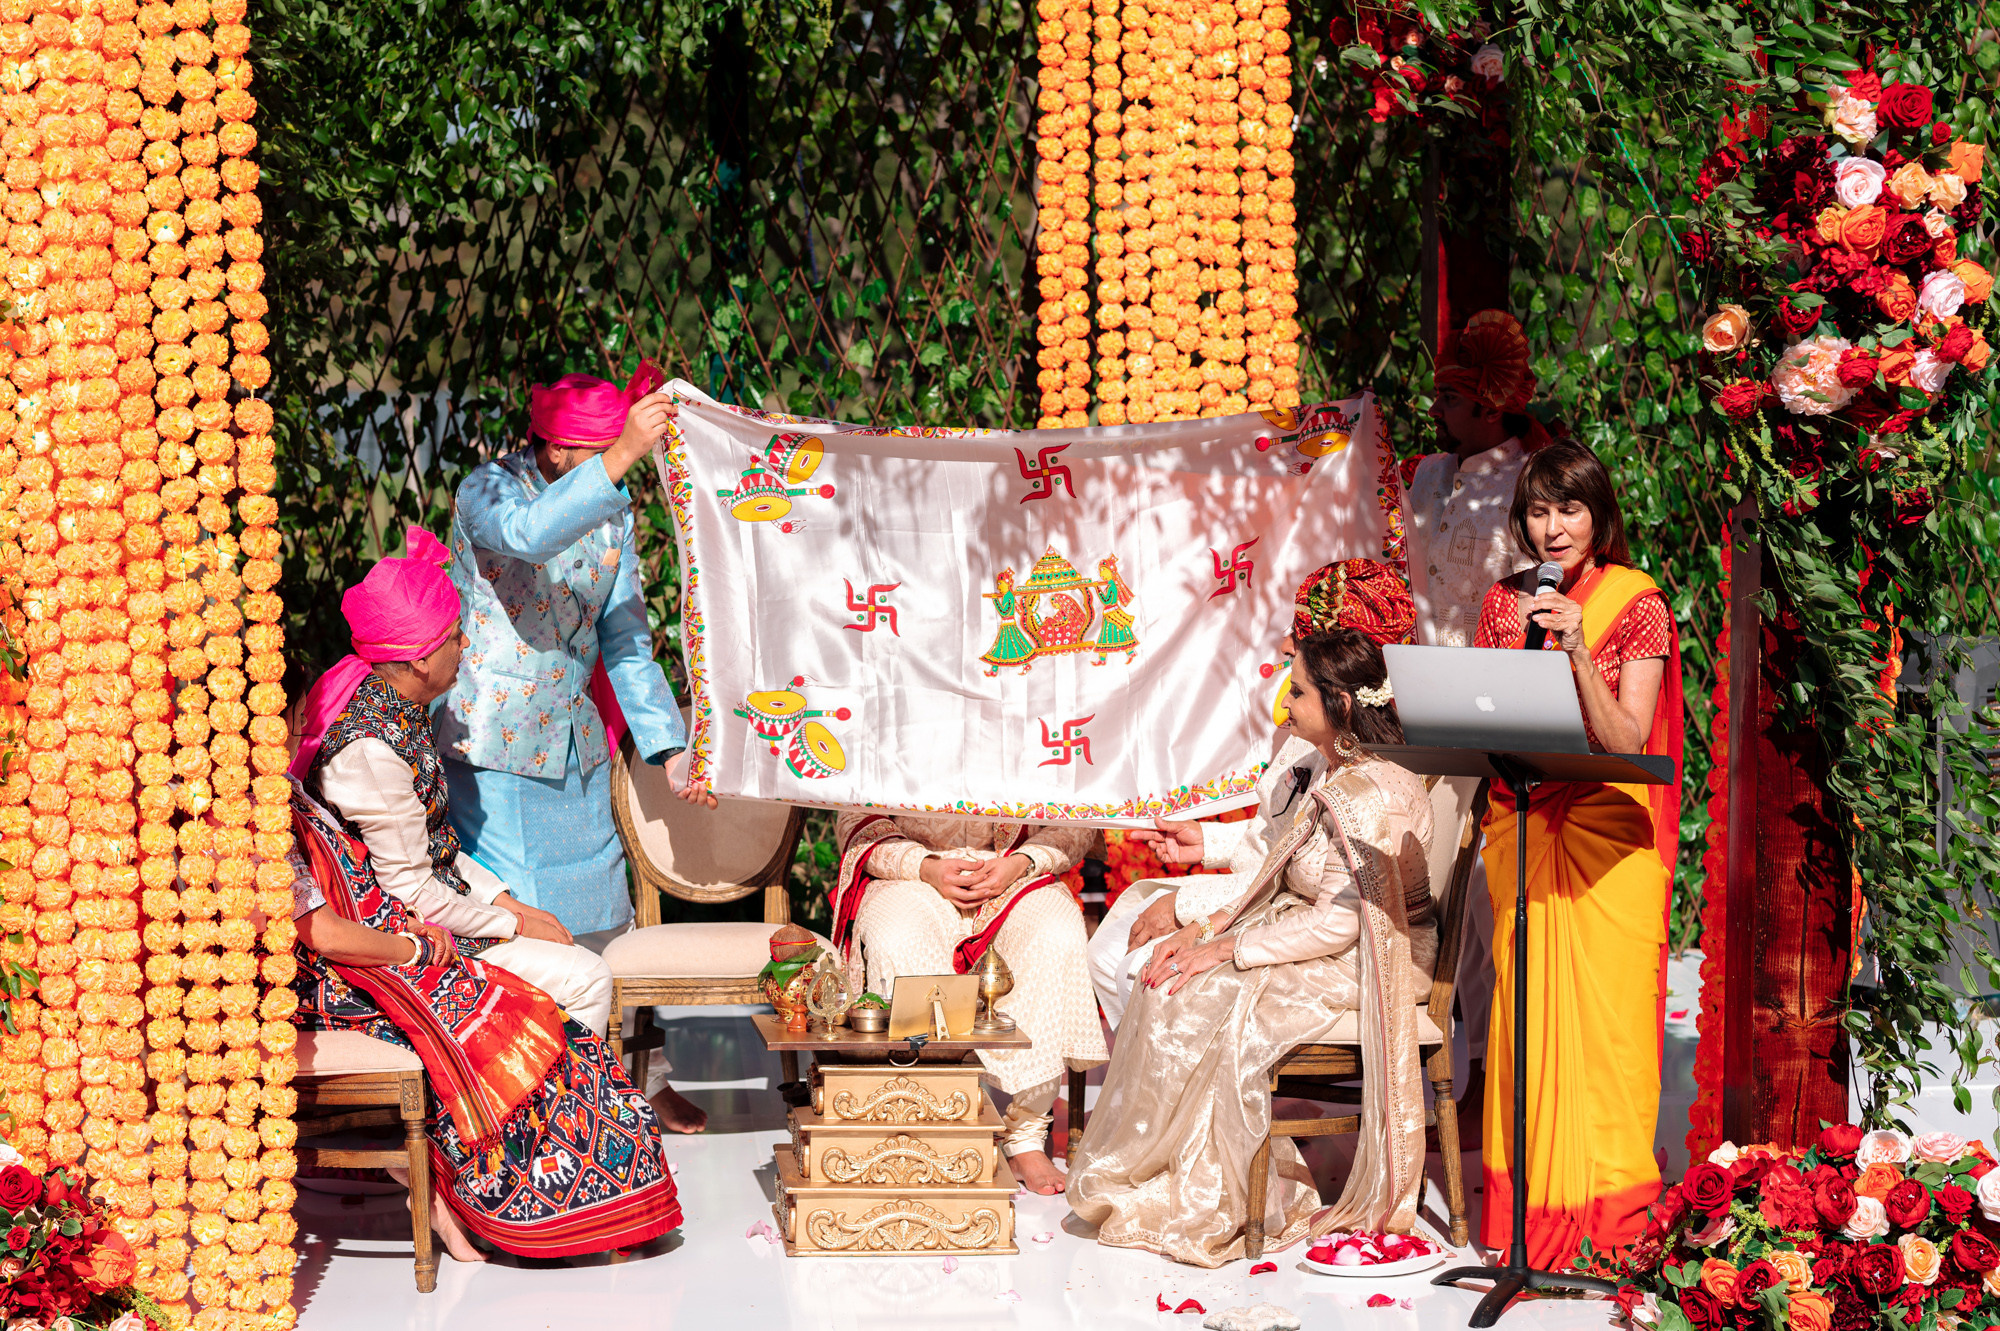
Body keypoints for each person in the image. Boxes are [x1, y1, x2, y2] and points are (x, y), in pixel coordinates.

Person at [289, 527, 708, 1131]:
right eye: (454, 636)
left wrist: (508, 902)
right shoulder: (370, 751)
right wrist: (514, 923)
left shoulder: (399, 710)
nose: (466, 645)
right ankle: (549, 1134)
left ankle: (550, 1123)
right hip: (398, 944)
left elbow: (438, 847)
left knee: (565, 946)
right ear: (418, 660)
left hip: (422, 917)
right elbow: (413, 893)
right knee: (588, 975)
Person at [1067, 625, 1437, 1268]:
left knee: (1196, 997)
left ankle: (1223, 1194)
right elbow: (1277, 863)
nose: (1284, 705)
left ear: (1341, 705)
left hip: (1372, 958)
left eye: (1297, 693)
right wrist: (1207, 930)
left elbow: (1340, 926)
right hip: (1312, 930)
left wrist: (1225, 950)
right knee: (1170, 978)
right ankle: (1176, 1175)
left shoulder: (1373, 792)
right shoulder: (1326, 766)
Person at [287, 782, 683, 1263]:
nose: (302, 732)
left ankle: (598, 1192)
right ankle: (504, 1200)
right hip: (325, 984)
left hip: (378, 954)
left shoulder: (294, 791)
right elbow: (324, 934)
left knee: (530, 1016)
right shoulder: (253, 810)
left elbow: (362, 887)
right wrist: (412, 948)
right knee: (476, 1031)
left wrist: (407, 926)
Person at [1471, 437, 1683, 1270]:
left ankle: (1613, 1229)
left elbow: (1628, 736)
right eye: (1538, 511)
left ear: (1600, 516)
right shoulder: (1503, 602)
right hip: (1524, 825)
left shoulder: (1639, 602)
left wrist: (1577, 650)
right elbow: (1485, 719)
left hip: (1607, 837)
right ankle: (1524, 1225)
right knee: (1523, 1027)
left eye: (1569, 509)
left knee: (1611, 1037)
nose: (1553, 528)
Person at [437, 361, 707, 953]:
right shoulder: (486, 490)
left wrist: (670, 750)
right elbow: (530, 534)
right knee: (525, 937)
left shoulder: (613, 512)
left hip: (576, 756)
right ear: (556, 449)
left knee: (603, 931)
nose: (615, 468)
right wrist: (625, 452)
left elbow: (626, 641)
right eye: (602, 453)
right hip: (494, 748)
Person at [1086, 558, 1415, 1027]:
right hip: (1270, 903)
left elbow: (1311, 891)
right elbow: (1285, 839)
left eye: (1301, 633)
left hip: (1308, 928)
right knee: (1111, 955)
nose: (1284, 644)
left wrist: (1197, 921)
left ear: (1341, 667)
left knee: (1144, 972)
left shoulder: (1368, 777)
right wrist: (1208, 841)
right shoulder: (1321, 742)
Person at [1401, 308, 1547, 1145]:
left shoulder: (1529, 478)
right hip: (1420, 705)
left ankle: (1487, 1084)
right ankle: (1413, 1073)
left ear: (1492, 404)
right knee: (1420, 893)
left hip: (1495, 709)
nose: (1438, 411)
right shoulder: (1426, 475)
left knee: (1488, 905)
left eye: (1452, 398)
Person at [830, 814, 1106, 1196]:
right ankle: (927, 1122)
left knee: (1056, 934)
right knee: (899, 937)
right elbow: (855, 816)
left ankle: (1025, 1138)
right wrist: (925, 866)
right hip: (913, 874)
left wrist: (1021, 862)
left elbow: (1078, 818)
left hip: (1016, 871)